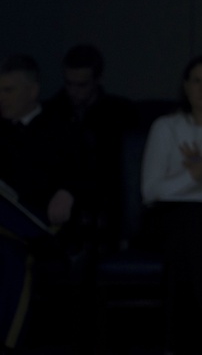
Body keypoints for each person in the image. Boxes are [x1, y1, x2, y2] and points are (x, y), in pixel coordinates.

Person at [139, 54, 202, 354]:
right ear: (185, 86)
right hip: (166, 219)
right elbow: (150, 191)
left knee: (190, 232)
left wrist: (194, 179)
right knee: (190, 220)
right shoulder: (166, 127)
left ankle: (175, 341)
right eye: (196, 81)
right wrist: (198, 174)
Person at [0, 55, 83, 352]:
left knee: (9, 255)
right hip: (7, 224)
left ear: (32, 91)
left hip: (43, 226)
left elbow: (85, 173)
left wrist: (68, 191)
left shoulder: (61, 126)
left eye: (8, 90)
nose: (1, 98)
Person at [44, 44, 140, 251]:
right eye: (69, 84)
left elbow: (112, 169)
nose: (74, 92)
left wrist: (73, 190)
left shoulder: (119, 114)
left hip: (103, 202)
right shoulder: (52, 113)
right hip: (59, 202)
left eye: (82, 85)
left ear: (98, 80)